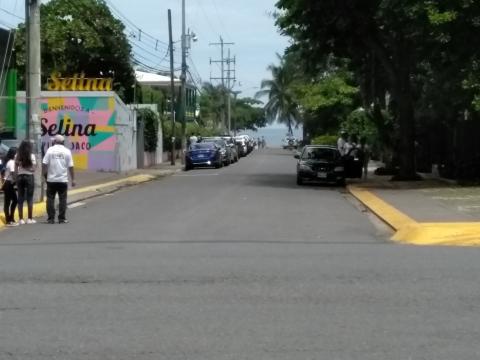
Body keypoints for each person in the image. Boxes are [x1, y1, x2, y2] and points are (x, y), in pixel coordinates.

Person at [42, 135, 75, 224]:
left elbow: (44, 164)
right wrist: (73, 179)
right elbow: (71, 166)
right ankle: (62, 218)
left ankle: (51, 219)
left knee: (50, 199)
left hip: (51, 179)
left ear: (54, 142)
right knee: (63, 199)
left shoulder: (50, 150)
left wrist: (45, 175)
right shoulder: (67, 151)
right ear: (63, 142)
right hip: (62, 179)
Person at [15, 140, 37, 224]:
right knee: (30, 198)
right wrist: (27, 168)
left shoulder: (17, 155)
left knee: (20, 198)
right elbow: (33, 169)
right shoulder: (32, 156)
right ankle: (29, 219)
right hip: (29, 177)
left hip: (20, 177)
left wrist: (15, 178)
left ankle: (21, 219)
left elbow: (16, 169)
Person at [2, 148, 18, 226]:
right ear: (14, 154)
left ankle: (10, 218)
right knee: (12, 201)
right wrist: (16, 182)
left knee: (11, 201)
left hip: (8, 183)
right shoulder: (11, 162)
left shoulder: (9, 161)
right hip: (9, 183)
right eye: (16, 153)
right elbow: (12, 173)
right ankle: (9, 220)